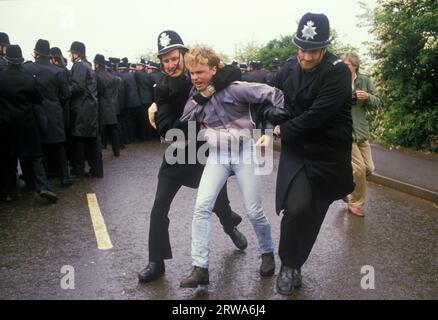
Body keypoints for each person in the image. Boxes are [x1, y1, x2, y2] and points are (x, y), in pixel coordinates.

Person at [138, 31, 247, 283]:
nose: (171, 65)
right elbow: (168, 130)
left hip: (206, 151)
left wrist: (206, 91)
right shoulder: (162, 88)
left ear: (184, 55)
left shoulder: (197, 73)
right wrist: (196, 125)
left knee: (218, 202)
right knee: (159, 207)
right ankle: (156, 261)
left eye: (174, 58)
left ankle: (230, 226)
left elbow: (232, 72)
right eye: (165, 61)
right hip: (178, 151)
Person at [178, 47, 289, 288]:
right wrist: (205, 93)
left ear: (214, 69)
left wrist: (270, 130)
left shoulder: (237, 88)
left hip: (244, 153)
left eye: (200, 72)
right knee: (201, 207)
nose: (195, 77)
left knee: (253, 210)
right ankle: (200, 268)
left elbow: (276, 95)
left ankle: (267, 252)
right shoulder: (196, 93)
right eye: (191, 73)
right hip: (217, 155)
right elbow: (186, 118)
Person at [273, 13, 354, 295]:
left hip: (327, 153)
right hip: (298, 151)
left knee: (313, 210)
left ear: (325, 47)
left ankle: (296, 264)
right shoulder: (288, 66)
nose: (305, 57)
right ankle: (288, 264)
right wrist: (268, 114)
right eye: (301, 49)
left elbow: (317, 116)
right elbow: (269, 93)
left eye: (313, 51)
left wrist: (280, 129)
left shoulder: (338, 72)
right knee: (296, 208)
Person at [0, 45, 58, 203]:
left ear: (7, 59)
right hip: (27, 123)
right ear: (20, 60)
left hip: (6, 125)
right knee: (35, 157)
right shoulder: (29, 78)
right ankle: (43, 187)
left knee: (8, 159)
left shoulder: (1, 77)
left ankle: (8, 192)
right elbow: (38, 99)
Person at [343, 52, 381, 217]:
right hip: (345, 130)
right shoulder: (338, 80)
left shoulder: (365, 80)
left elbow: (378, 101)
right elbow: (332, 100)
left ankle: (344, 187)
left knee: (369, 169)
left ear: (355, 66)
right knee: (359, 170)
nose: (345, 68)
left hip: (361, 130)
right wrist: (351, 95)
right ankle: (355, 203)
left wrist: (368, 97)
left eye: (348, 65)